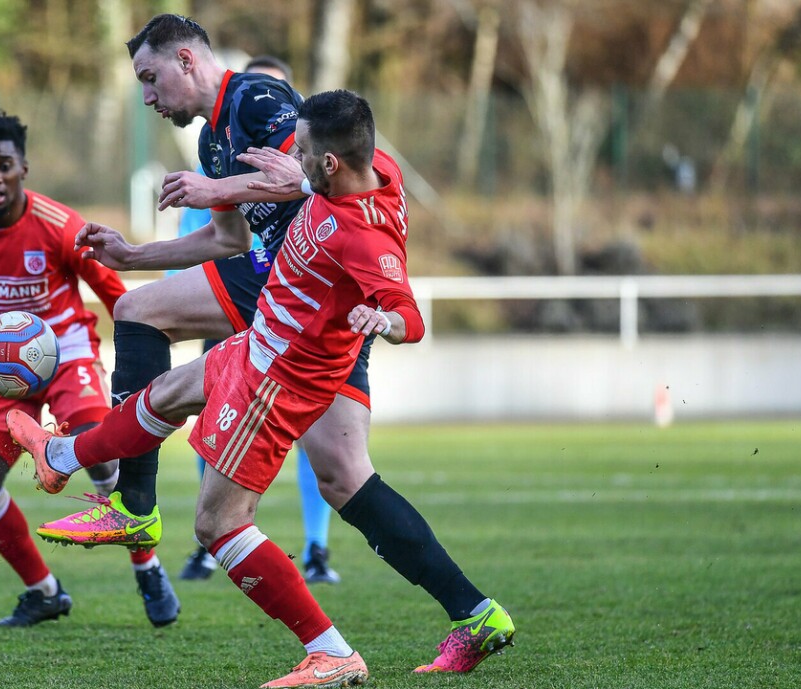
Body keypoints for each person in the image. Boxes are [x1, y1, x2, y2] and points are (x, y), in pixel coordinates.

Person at [35, 14, 515, 675]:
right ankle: (475, 611)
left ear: (185, 60)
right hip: (291, 295)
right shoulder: (224, 140)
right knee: (344, 475)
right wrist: (137, 250)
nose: (148, 97)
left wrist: (222, 188)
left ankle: (134, 507)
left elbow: (311, 176)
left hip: (300, 320)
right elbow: (231, 235)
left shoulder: (258, 100)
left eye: (150, 80)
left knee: (147, 327)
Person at [0, 112, 180, 628]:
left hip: (65, 357)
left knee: (103, 463)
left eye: (4, 165)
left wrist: (139, 354)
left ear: (23, 166)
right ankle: (44, 592)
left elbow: (114, 290)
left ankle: (146, 564)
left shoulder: (59, 225)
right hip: (1, 374)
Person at [176, 56, 339, 585]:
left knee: (331, 452)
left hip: (301, 298)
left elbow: (309, 187)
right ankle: (174, 520)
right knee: (211, 417)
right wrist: (135, 256)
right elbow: (214, 239)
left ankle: (316, 548)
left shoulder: (301, 147)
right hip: (238, 299)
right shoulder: (216, 147)